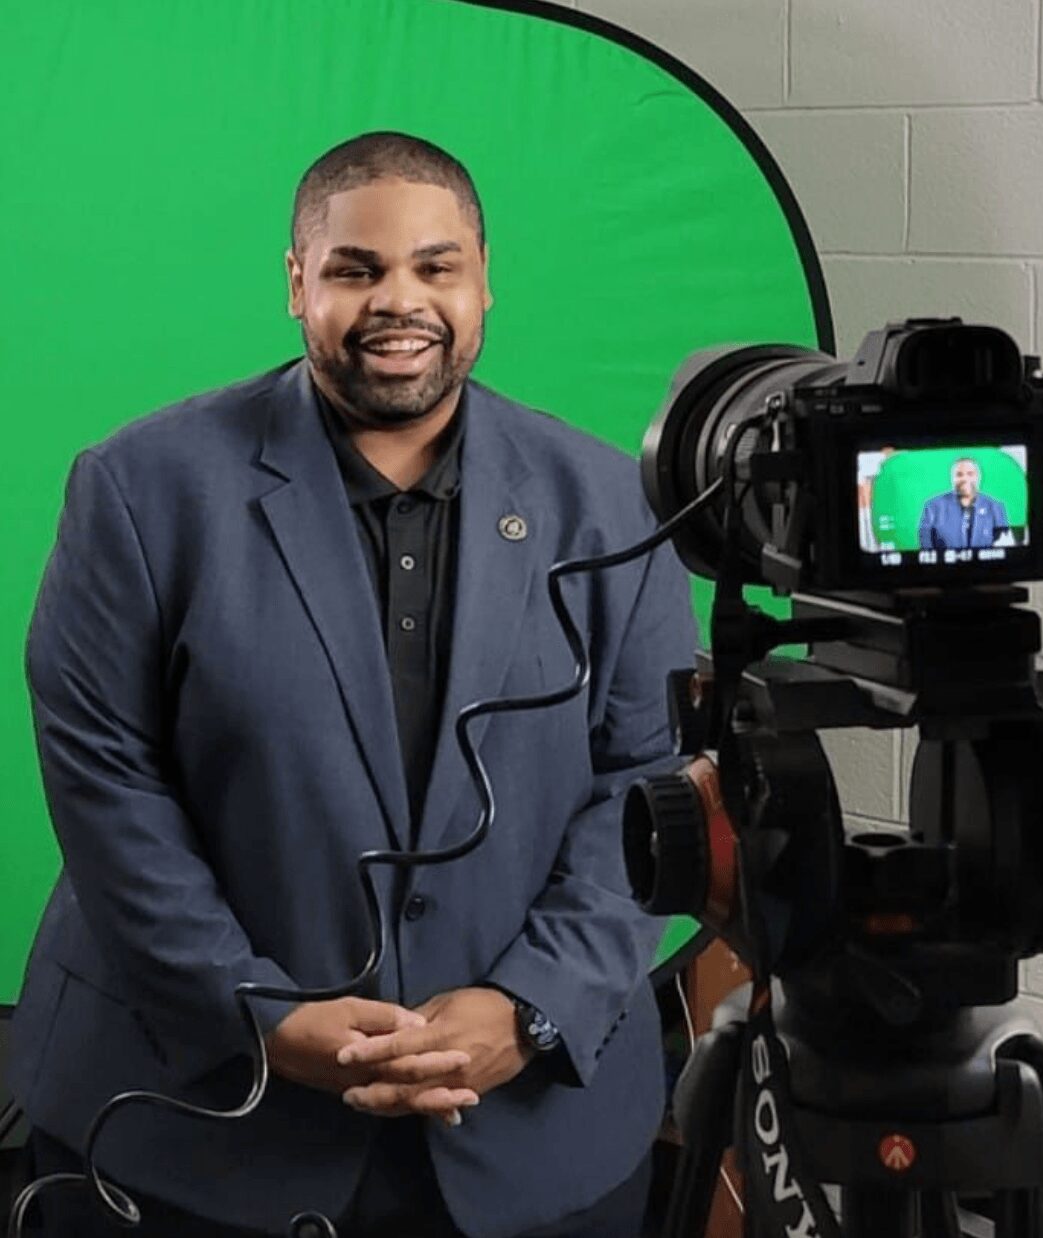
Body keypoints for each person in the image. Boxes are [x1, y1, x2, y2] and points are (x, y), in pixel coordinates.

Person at [9, 132, 696, 1238]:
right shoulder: (139, 490)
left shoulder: (612, 504)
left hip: (530, 1137)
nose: (399, 301)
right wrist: (260, 1013)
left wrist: (532, 1005)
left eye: (435, 266)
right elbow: (106, 785)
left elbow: (650, 781)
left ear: (483, 279)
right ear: (297, 283)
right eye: (356, 268)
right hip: (186, 1127)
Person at [917, 456, 1009, 551]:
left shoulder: (995, 507)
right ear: (952, 478)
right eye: (959, 474)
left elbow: (1003, 547)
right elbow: (925, 546)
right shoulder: (933, 507)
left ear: (978, 477)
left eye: (970, 474)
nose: (965, 479)